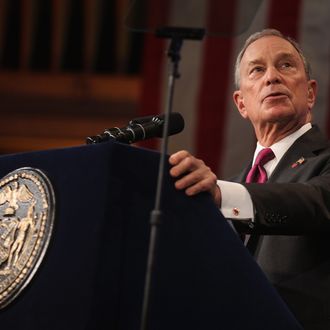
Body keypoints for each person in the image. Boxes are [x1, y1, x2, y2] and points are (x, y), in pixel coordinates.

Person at [169, 28, 330, 330]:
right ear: (241, 103)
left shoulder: (225, 194)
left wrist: (220, 195)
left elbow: (313, 202)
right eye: (257, 70)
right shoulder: (225, 190)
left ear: (310, 93)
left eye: (286, 65)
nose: (271, 77)